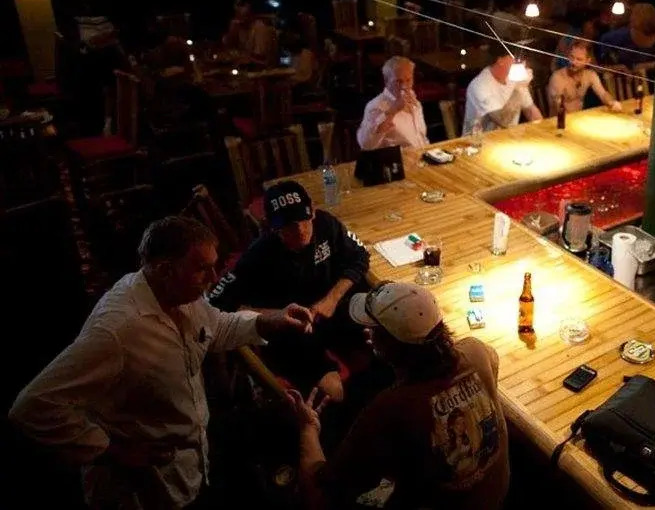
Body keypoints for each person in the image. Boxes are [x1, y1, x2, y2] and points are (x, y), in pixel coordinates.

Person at [8, 216, 314, 509]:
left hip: (188, 467)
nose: (213, 278)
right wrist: (113, 451)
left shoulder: (181, 295)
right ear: (166, 270)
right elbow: (33, 406)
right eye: (202, 269)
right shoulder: (118, 330)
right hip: (145, 489)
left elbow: (216, 326)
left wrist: (272, 319)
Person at [289, 282, 510, 510]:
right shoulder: (476, 351)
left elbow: (319, 496)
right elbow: (492, 361)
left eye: (373, 328)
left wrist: (308, 428)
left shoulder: (390, 408)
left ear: (386, 343)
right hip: (495, 497)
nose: (367, 332)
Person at [208, 181, 371, 398]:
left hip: (330, 313)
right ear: (271, 227)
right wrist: (275, 316)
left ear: (312, 211)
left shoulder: (326, 224)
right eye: (289, 226)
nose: (300, 230)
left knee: (384, 342)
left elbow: (360, 256)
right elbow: (215, 305)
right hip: (290, 332)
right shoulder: (259, 254)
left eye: (303, 219)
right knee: (334, 392)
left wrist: (331, 299)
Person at [58, 0, 127, 136]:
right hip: (86, 57)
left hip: (107, 54)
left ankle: (109, 122)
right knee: (88, 83)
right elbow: (69, 37)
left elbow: (117, 30)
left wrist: (107, 39)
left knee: (111, 83)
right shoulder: (71, 10)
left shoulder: (105, 5)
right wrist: (83, 44)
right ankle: (94, 125)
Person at [462, 46, 542, 135]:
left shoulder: (513, 78)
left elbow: (531, 111)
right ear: (500, 60)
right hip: (479, 141)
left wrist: (544, 131)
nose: (521, 63)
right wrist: (518, 88)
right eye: (514, 58)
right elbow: (503, 121)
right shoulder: (480, 85)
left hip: (508, 138)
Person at [356, 56, 429, 150]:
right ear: (386, 81)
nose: (404, 86)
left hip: (421, 155)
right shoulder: (375, 106)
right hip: (398, 158)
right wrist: (393, 111)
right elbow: (366, 145)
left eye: (408, 80)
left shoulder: (414, 101)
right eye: (398, 81)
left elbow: (421, 138)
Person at [547, 40, 623, 115]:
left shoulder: (590, 75)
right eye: (571, 57)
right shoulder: (557, 78)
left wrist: (612, 103)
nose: (573, 62)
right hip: (559, 121)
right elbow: (559, 109)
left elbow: (603, 94)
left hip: (578, 117)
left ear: (587, 61)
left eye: (579, 59)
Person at [598, 2, 655, 67]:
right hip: (619, 71)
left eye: (636, 14)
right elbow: (604, 44)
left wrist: (644, 66)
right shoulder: (620, 35)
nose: (632, 17)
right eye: (633, 14)